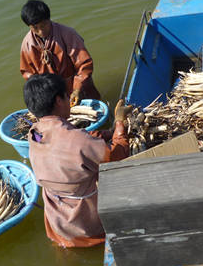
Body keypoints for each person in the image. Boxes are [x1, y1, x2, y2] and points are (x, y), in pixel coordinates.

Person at [23, 73, 131, 247]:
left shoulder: (34, 133)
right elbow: (117, 156)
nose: (69, 101)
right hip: (82, 221)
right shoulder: (77, 141)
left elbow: (67, 143)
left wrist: (105, 134)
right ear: (59, 101)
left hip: (56, 218)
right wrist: (119, 125)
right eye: (66, 96)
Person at [20, 0, 100, 106]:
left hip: (76, 85)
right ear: (29, 26)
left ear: (49, 19)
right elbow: (29, 75)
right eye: (35, 28)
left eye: (44, 25)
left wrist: (77, 89)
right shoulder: (27, 45)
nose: (41, 31)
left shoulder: (68, 34)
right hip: (52, 93)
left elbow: (84, 64)